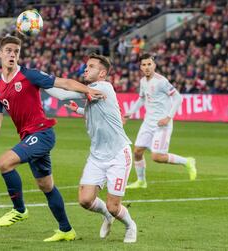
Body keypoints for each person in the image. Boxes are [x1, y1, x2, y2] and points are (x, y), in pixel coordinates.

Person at [0, 36, 104, 242]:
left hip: (42, 133)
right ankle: (66, 230)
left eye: (16, 51)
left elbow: (65, 83)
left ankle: (19, 210)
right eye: (8, 50)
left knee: (5, 162)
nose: (12, 54)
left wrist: (87, 89)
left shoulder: (29, 75)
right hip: (29, 136)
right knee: (46, 186)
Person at [59, 53, 137, 243]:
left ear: (102, 73)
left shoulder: (103, 87)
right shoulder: (92, 92)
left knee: (113, 205)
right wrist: (77, 109)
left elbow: (65, 90)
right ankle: (107, 216)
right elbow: (96, 112)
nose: (86, 69)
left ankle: (130, 225)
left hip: (118, 154)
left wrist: (41, 80)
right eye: (87, 65)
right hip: (97, 156)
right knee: (85, 200)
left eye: (91, 66)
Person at [124, 53, 197, 189]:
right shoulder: (143, 82)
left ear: (154, 66)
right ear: (140, 67)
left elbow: (178, 98)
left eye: (149, 64)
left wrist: (168, 117)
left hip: (162, 124)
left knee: (157, 157)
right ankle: (141, 181)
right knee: (137, 151)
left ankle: (187, 161)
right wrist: (129, 113)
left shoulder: (161, 81)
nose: (147, 67)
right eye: (144, 65)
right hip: (148, 122)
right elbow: (141, 99)